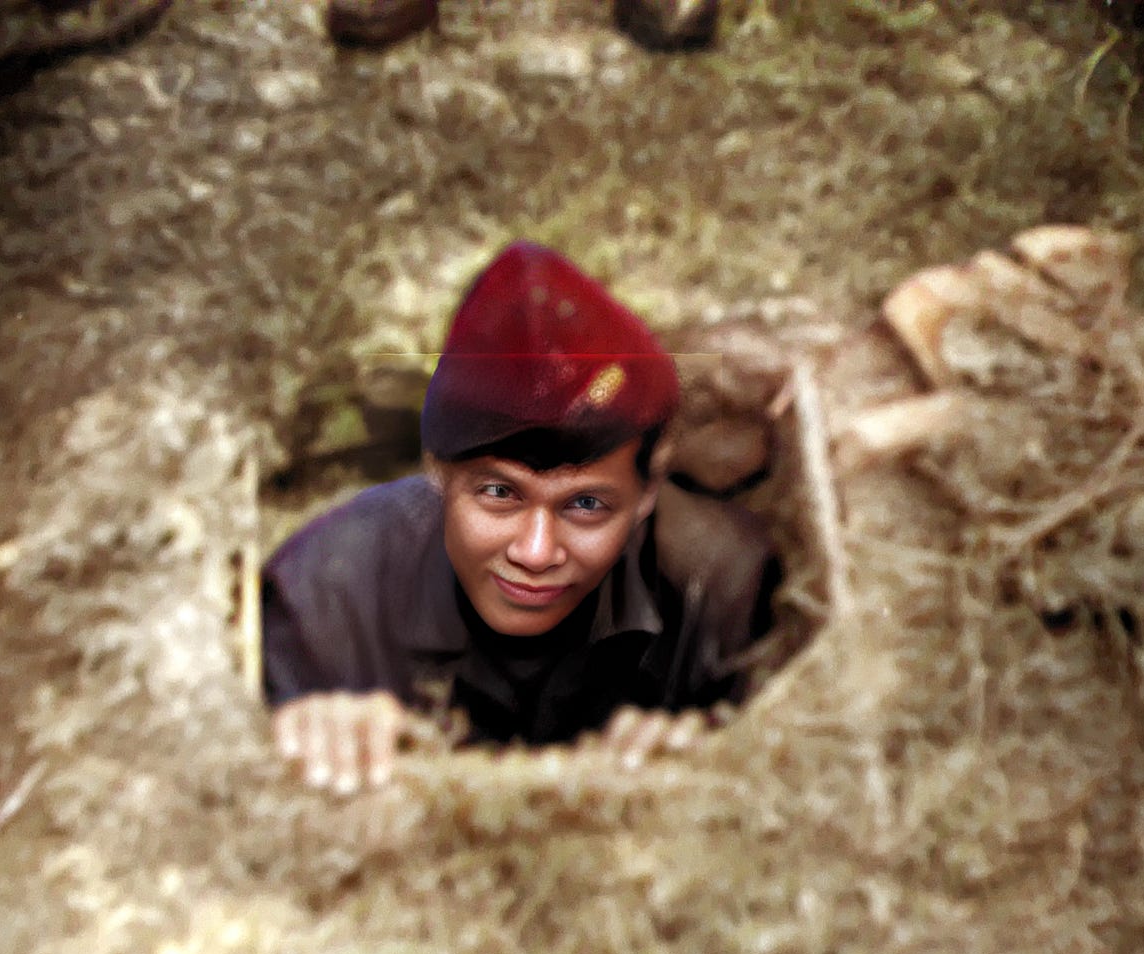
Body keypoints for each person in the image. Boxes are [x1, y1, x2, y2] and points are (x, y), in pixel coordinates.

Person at [263, 241, 777, 793]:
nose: (535, 552)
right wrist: (310, 723)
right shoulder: (325, 594)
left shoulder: (721, 585)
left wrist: (705, 741)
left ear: (649, 489)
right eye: (498, 494)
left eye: (585, 504)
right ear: (438, 470)